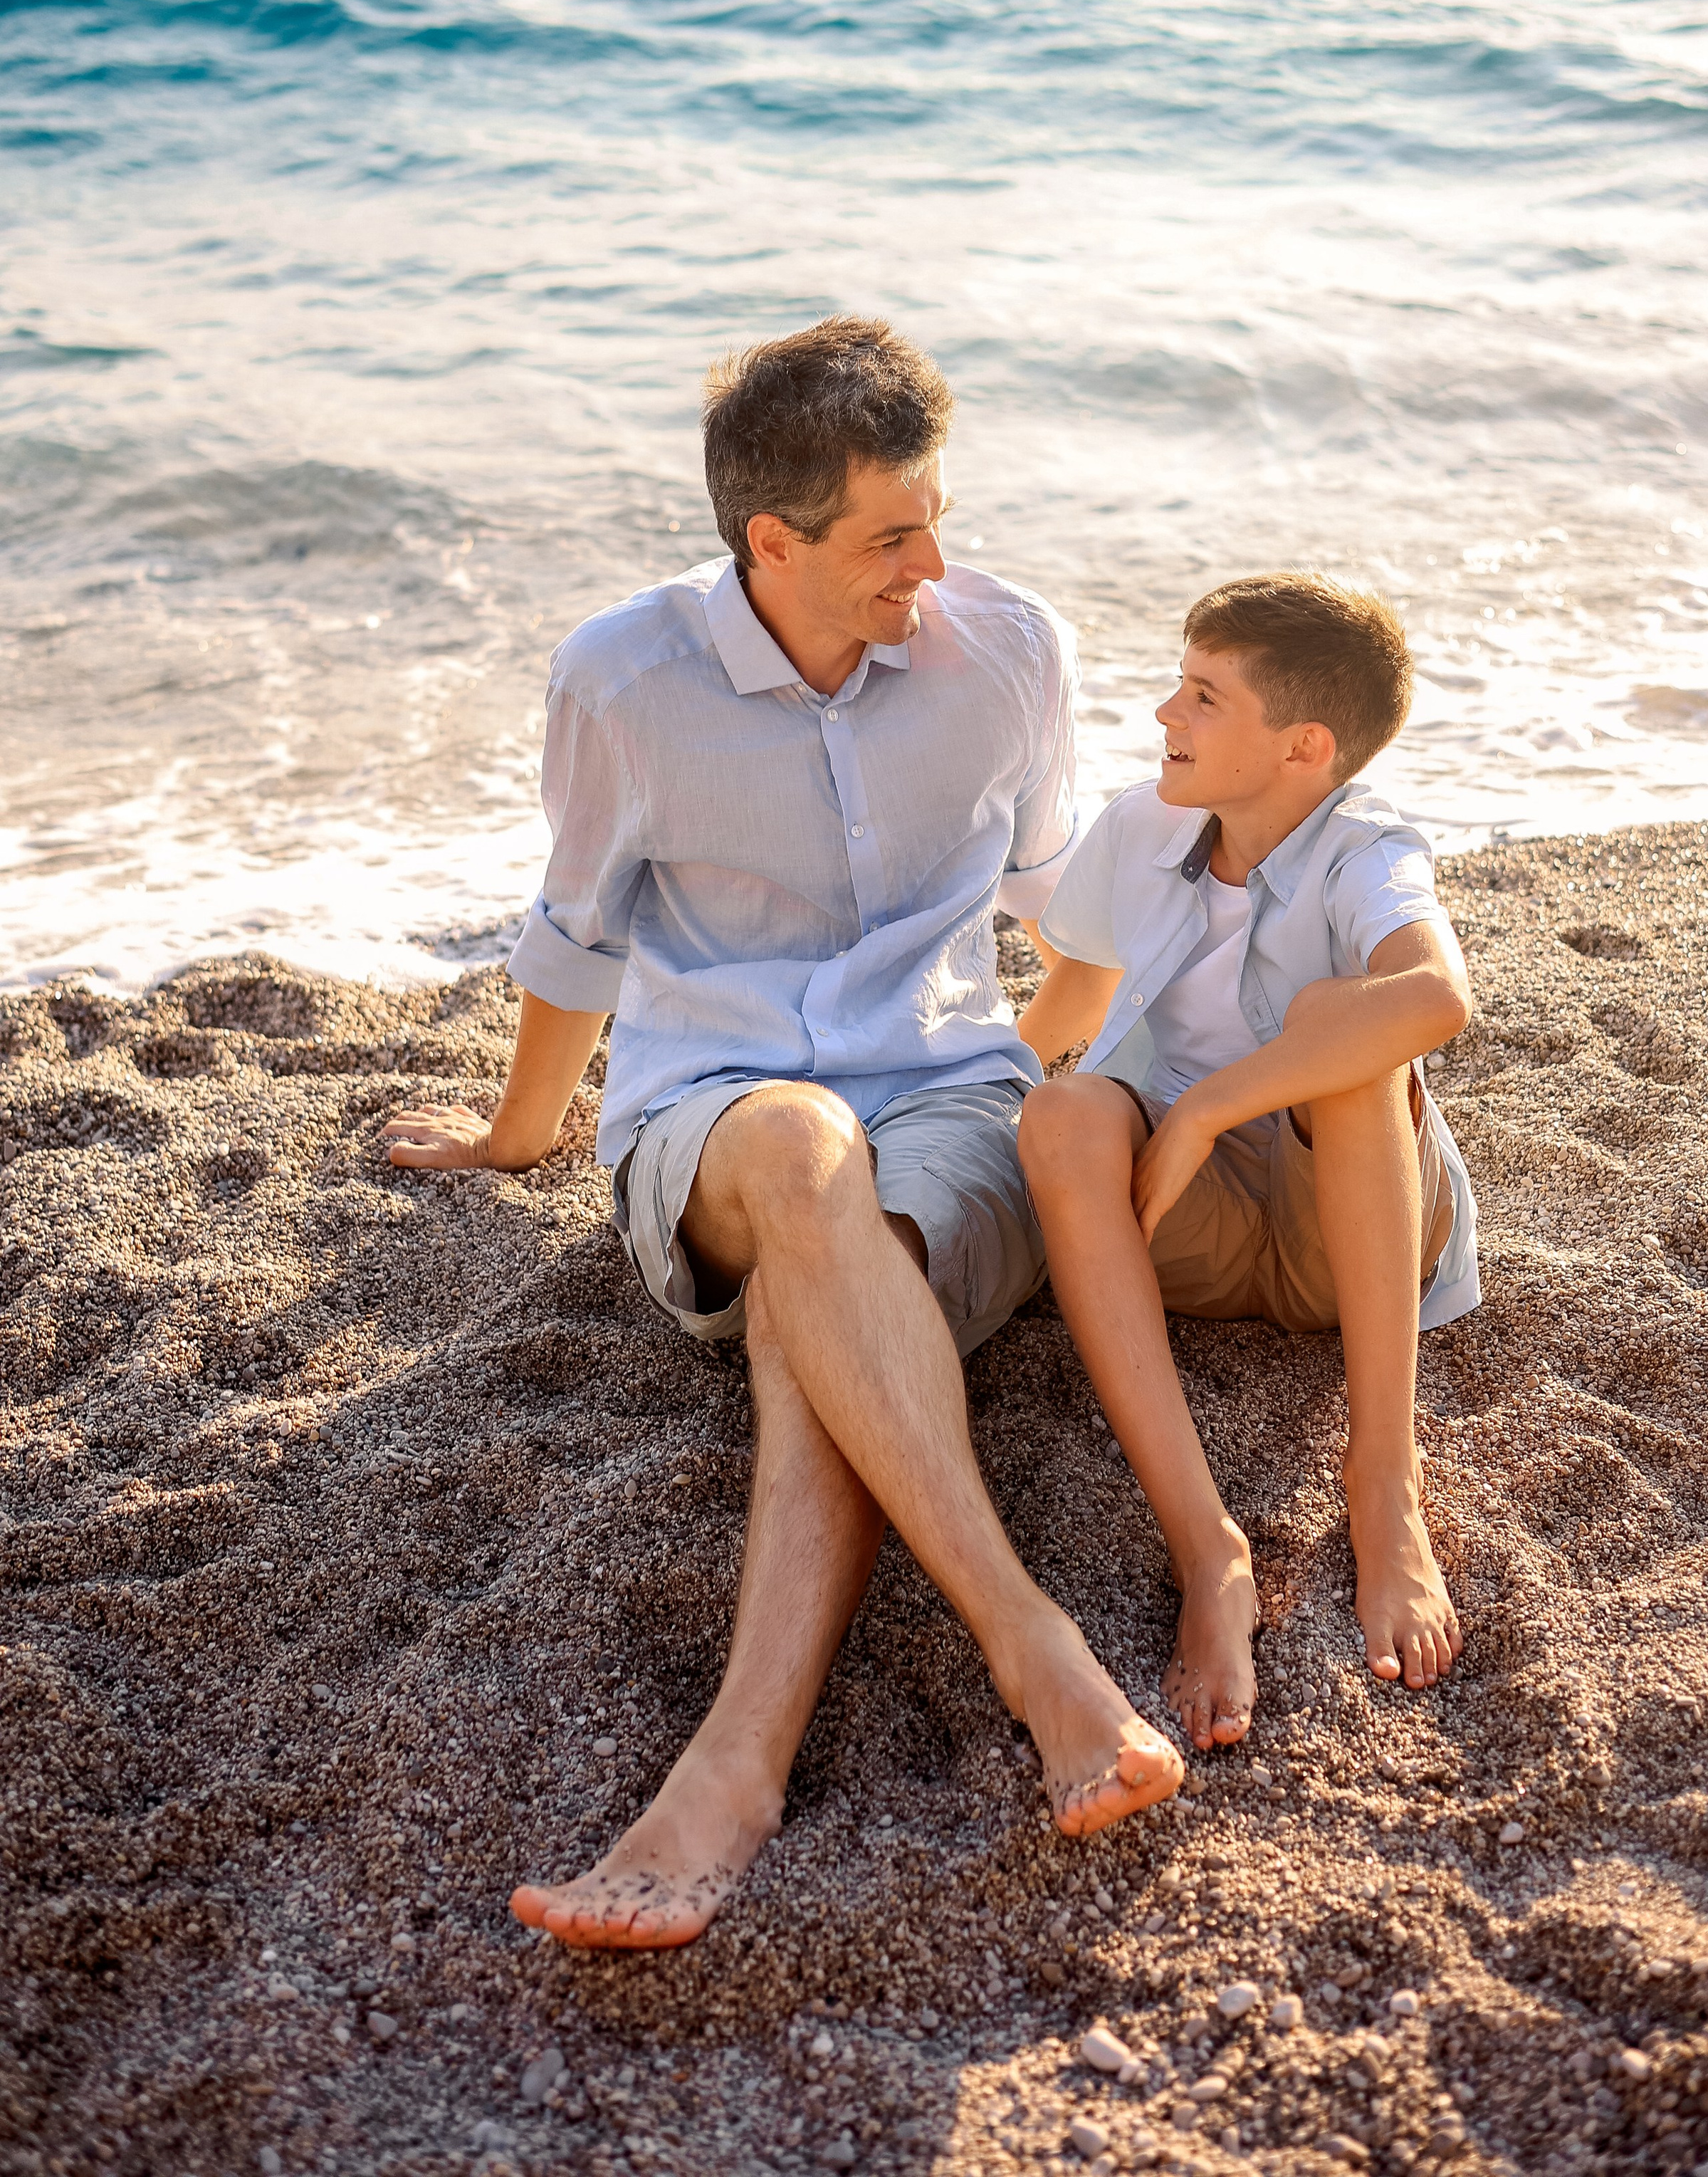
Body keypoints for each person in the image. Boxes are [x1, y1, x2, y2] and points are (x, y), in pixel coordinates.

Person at [384, 317, 1182, 1951]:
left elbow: (1060, 900)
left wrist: (1027, 1064)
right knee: (808, 1155)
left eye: (937, 517)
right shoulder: (624, 677)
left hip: (953, 1098)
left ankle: (732, 1772)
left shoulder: (1006, 648)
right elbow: (576, 934)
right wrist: (519, 1133)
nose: (934, 564)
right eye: (894, 536)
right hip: (715, 1117)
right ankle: (1032, 1646)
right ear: (773, 540)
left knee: (833, 1294)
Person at [1016, 573, 1478, 1754]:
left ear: (1303, 747)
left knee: (1350, 1026)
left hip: (1352, 1244)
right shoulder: (1140, 828)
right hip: (1195, 1233)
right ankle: (1206, 1548)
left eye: (1204, 698)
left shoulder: (1368, 848)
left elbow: (1433, 997)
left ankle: (1383, 1485)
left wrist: (1210, 1107)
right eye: (1180, 685)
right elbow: (1067, 1008)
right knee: (1064, 1112)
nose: (1165, 715)